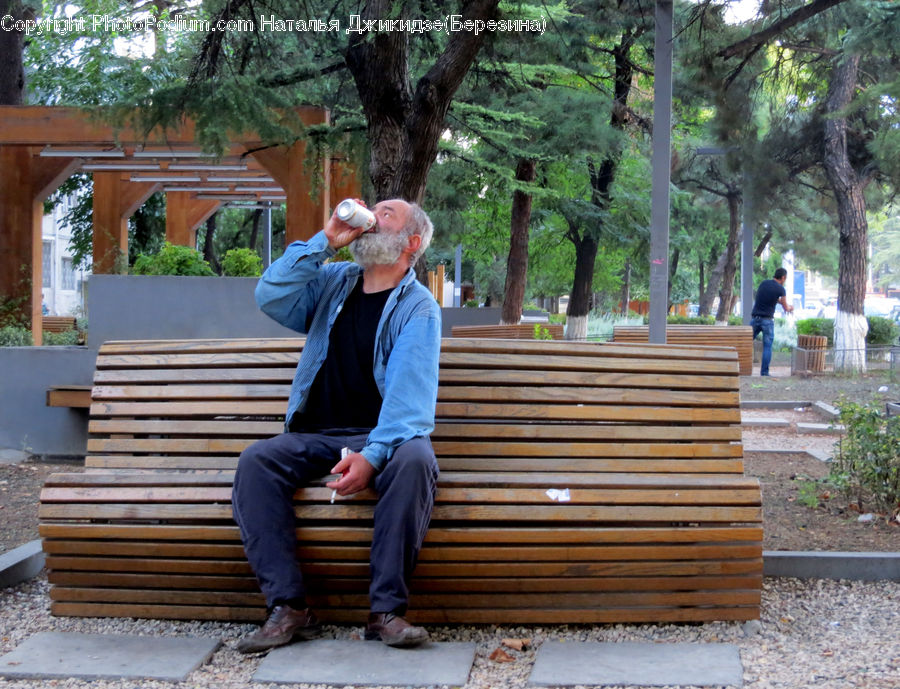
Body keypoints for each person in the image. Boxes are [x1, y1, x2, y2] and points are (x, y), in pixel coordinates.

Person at [232, 199, 441, 653]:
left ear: (410, 243)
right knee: (256, 462)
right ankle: (289, 609)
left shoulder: (418, 308)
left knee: (417, 457)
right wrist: (326, 240)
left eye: (385, 214)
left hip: (381, 438)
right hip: (316, 435)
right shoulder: (332, 282)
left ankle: (385, 612)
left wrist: (372, 456)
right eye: (373, 209)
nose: (371, 217)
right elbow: (270, 293)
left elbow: (409, 406)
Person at [750, 267, 793, 376]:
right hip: (767, 321)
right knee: (767, 347)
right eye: (785, 278)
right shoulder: (781, 289)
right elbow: (785, 307)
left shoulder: (764, 283)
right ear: (783, 277)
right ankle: (764, 373)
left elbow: (768, 297)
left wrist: (779, 302)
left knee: (745, 342)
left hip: (755, 319)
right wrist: (790, 308)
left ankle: (739, 367)